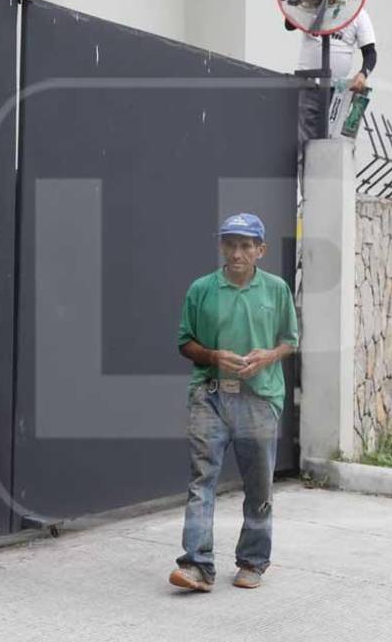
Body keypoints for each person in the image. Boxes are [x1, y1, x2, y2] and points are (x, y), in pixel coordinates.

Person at [168, 213, 299, 592]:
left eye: (245, 245)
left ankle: (253, 562)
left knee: (259, 487)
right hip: (209, 395)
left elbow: (290, 340)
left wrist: (268, 357)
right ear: (221, 246)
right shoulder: (201, 289)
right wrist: (213, 357)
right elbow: (184, 343)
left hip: (259, 400)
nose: (237, 252)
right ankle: (196, 565)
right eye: (230, 243)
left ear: (261, 250)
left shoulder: (276, 290)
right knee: (201, 481)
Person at [286, 7, 376, 143]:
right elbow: (289, 25)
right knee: (303, 140)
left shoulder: (359, 14)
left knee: (333, 141)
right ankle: (302, 164)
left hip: (338, 91)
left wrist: (363, 74)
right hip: (309, 85)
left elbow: (370, 52)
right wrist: (308, 6)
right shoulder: (313, 7)